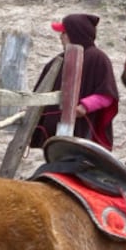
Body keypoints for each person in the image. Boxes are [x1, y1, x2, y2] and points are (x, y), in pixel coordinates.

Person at [30, 12, 120, 150]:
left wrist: (84, 106)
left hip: (83, 129)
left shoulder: (98, 58)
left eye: (64, 32)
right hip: (54, 132)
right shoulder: (57, 61)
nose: (60, 37)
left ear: (75, 33)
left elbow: (107, 95)